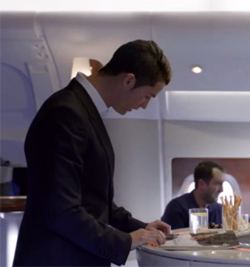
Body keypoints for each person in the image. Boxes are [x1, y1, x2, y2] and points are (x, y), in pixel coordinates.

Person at [13, 40, 173, 266]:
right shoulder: (65, 113)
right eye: (148, 96)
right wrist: (125, 241)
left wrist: (140, 228)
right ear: (129, 80)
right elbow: (62, 211)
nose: (144, 105)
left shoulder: (83, 111)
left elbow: (95, 198)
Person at [161, 161, 224, 229]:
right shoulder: (177, 208)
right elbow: (171, 238)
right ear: (201, 184)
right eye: (217, 184)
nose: (221, 190)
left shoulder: (219, 210)